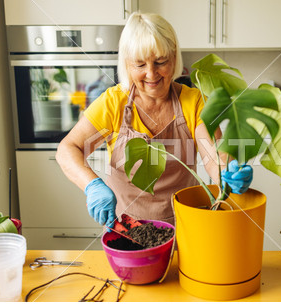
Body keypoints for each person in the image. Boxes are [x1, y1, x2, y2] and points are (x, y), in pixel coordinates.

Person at [56, 12, 253, 229]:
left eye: (160, 62)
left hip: (185, 226)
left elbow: (213, 155)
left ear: (175, 58)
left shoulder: (193, 101)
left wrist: (227, 172)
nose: (151, 74)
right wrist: (92, 185)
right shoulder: (113, 104)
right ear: (127, 65)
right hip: (126, 228)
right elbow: (69, 148)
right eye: (140, 65)